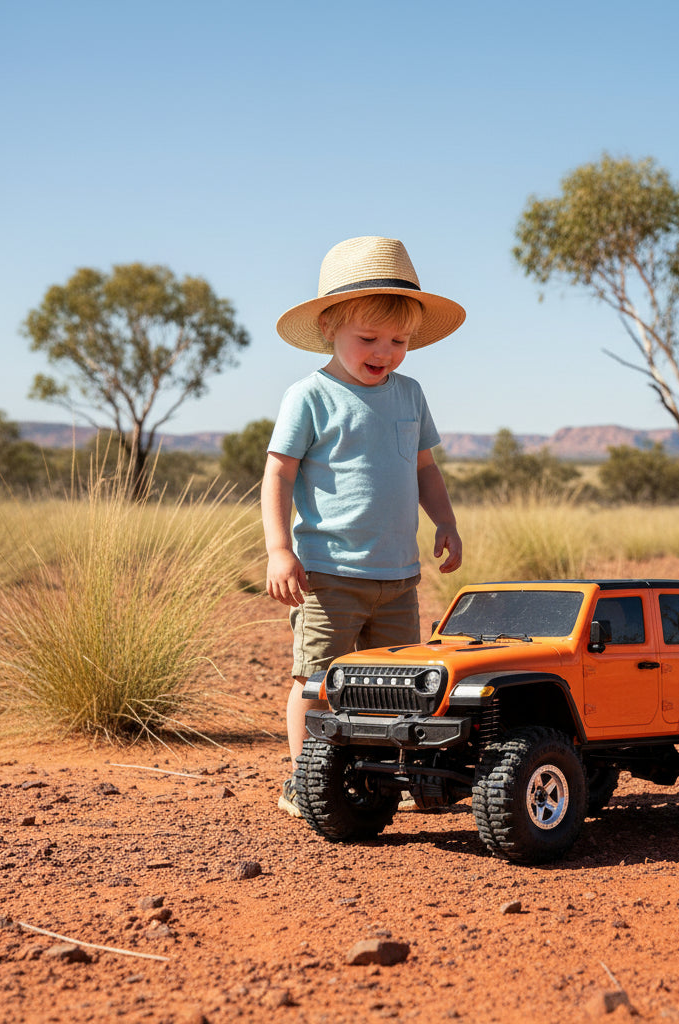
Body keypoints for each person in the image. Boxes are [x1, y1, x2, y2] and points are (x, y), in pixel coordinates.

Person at [262, 236, 465, 817]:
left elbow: (425, 467)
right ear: (329, 326)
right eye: (369, 339)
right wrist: (280, 550)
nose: (386, 352)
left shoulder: (410, 394)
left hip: (400, 576)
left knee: (395, 687)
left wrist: (445, 520)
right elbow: (277, 475)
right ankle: (306, 783)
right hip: (328, 575)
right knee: (317, 683)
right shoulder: (310, 396)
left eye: (399, 341)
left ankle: (380, 781)